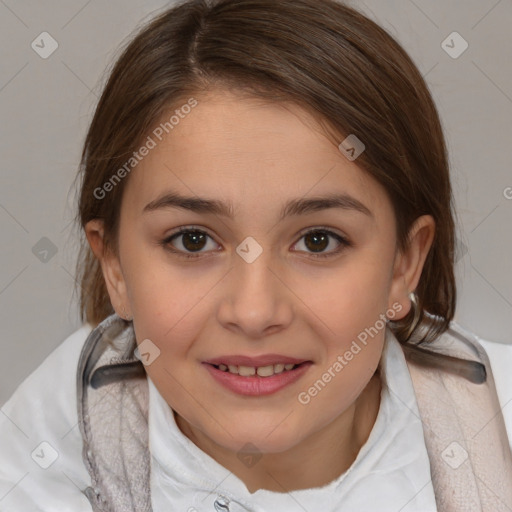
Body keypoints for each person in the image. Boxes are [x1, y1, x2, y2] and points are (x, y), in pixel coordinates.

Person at [1, 0, 511, 510]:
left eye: (318, 240)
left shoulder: (499, 426)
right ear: (114, 266)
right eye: (193, 240)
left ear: (404, 264)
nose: (253, 312)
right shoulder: (46, 445)